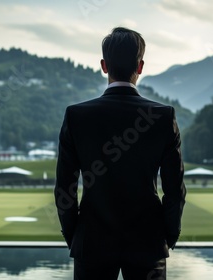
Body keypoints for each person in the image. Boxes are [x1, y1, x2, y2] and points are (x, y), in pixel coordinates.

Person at [54, 27, 186, 280]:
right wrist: (167, 236)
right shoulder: (163, 116)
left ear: (104, 66)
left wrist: (75, 237)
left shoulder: (76, 116)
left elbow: (65, 189)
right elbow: (175, 189)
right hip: (148, 242)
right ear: (141, 66)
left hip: (91, 243)